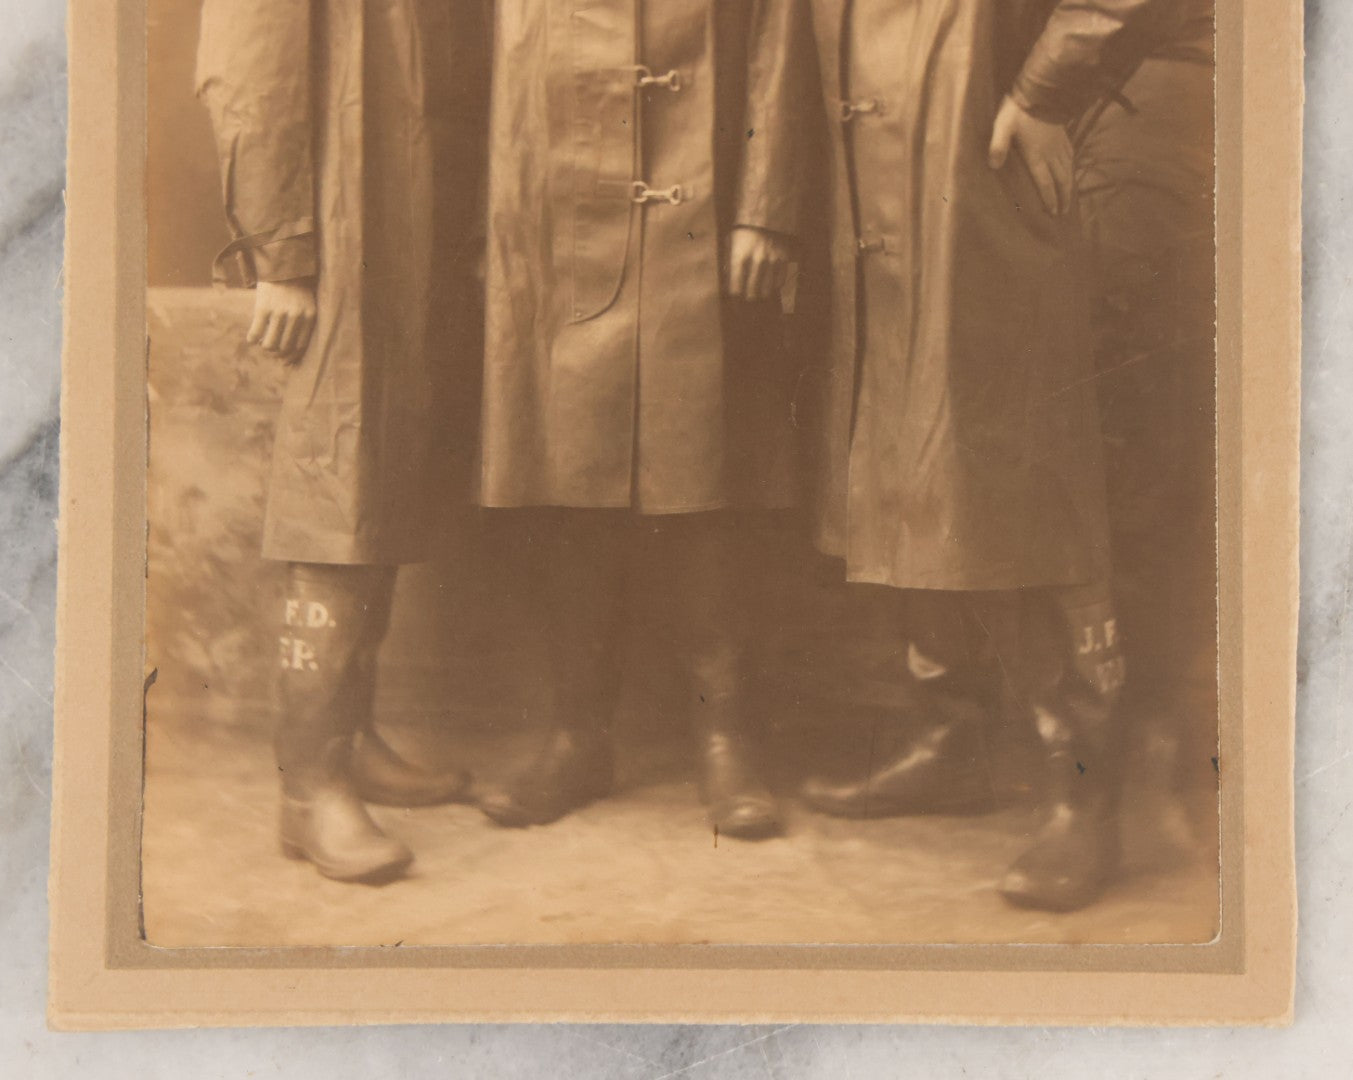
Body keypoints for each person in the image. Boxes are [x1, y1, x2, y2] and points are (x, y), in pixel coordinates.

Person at [783, 0, 1207, 911]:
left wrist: (1046, 90)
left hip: (1095, 95)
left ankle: (1084, 786)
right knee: (921, 427)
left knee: (1057, 453)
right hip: (917, 119)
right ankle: (953, 736)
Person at [473, 0, 805, 839]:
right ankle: (576, 735)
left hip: (706, 211)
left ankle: (727, 738)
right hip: (555, 221)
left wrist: (766, 207)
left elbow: (779, 40)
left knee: (707, 481)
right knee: (568, 480)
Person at [197, 0, 490, 882]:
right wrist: (280, 252)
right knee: (336, 483)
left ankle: (352, 740)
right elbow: (245, 72)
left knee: (383, 479)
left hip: (408, 214)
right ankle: (308, 786)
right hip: (332, 229)